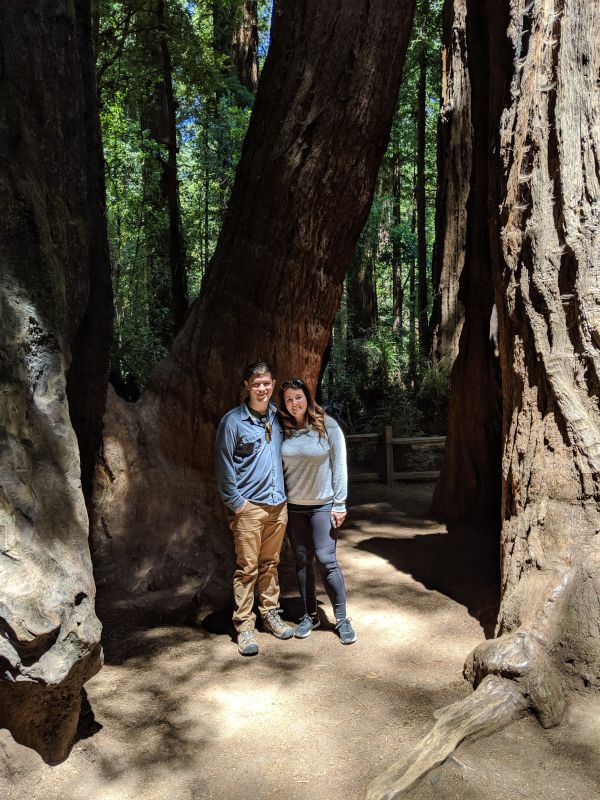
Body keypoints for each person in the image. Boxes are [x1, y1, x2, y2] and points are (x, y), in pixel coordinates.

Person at [215, 361, 293, 656]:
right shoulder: (233, 422)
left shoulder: (277, 416)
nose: (262, 388)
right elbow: (223, 466)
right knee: (247, 569)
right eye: (256, 383)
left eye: (267, 383)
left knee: (270, 565)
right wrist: (238, 503)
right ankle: (245, 626)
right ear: (247, 385)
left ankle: (271, 614)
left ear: (274, 384)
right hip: (249, 509)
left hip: (278, 505)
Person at [279, 378, 356, 645]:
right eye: (289, 399)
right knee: (302, 561)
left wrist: (340, 503)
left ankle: (342, 619)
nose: (294, 404)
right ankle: (310, 615)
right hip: (294, 506)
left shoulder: (327, 425)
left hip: (323, 504)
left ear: (307, 398)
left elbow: (340, 465)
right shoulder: (283, 429)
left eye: (298, 397)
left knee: (326, 560)